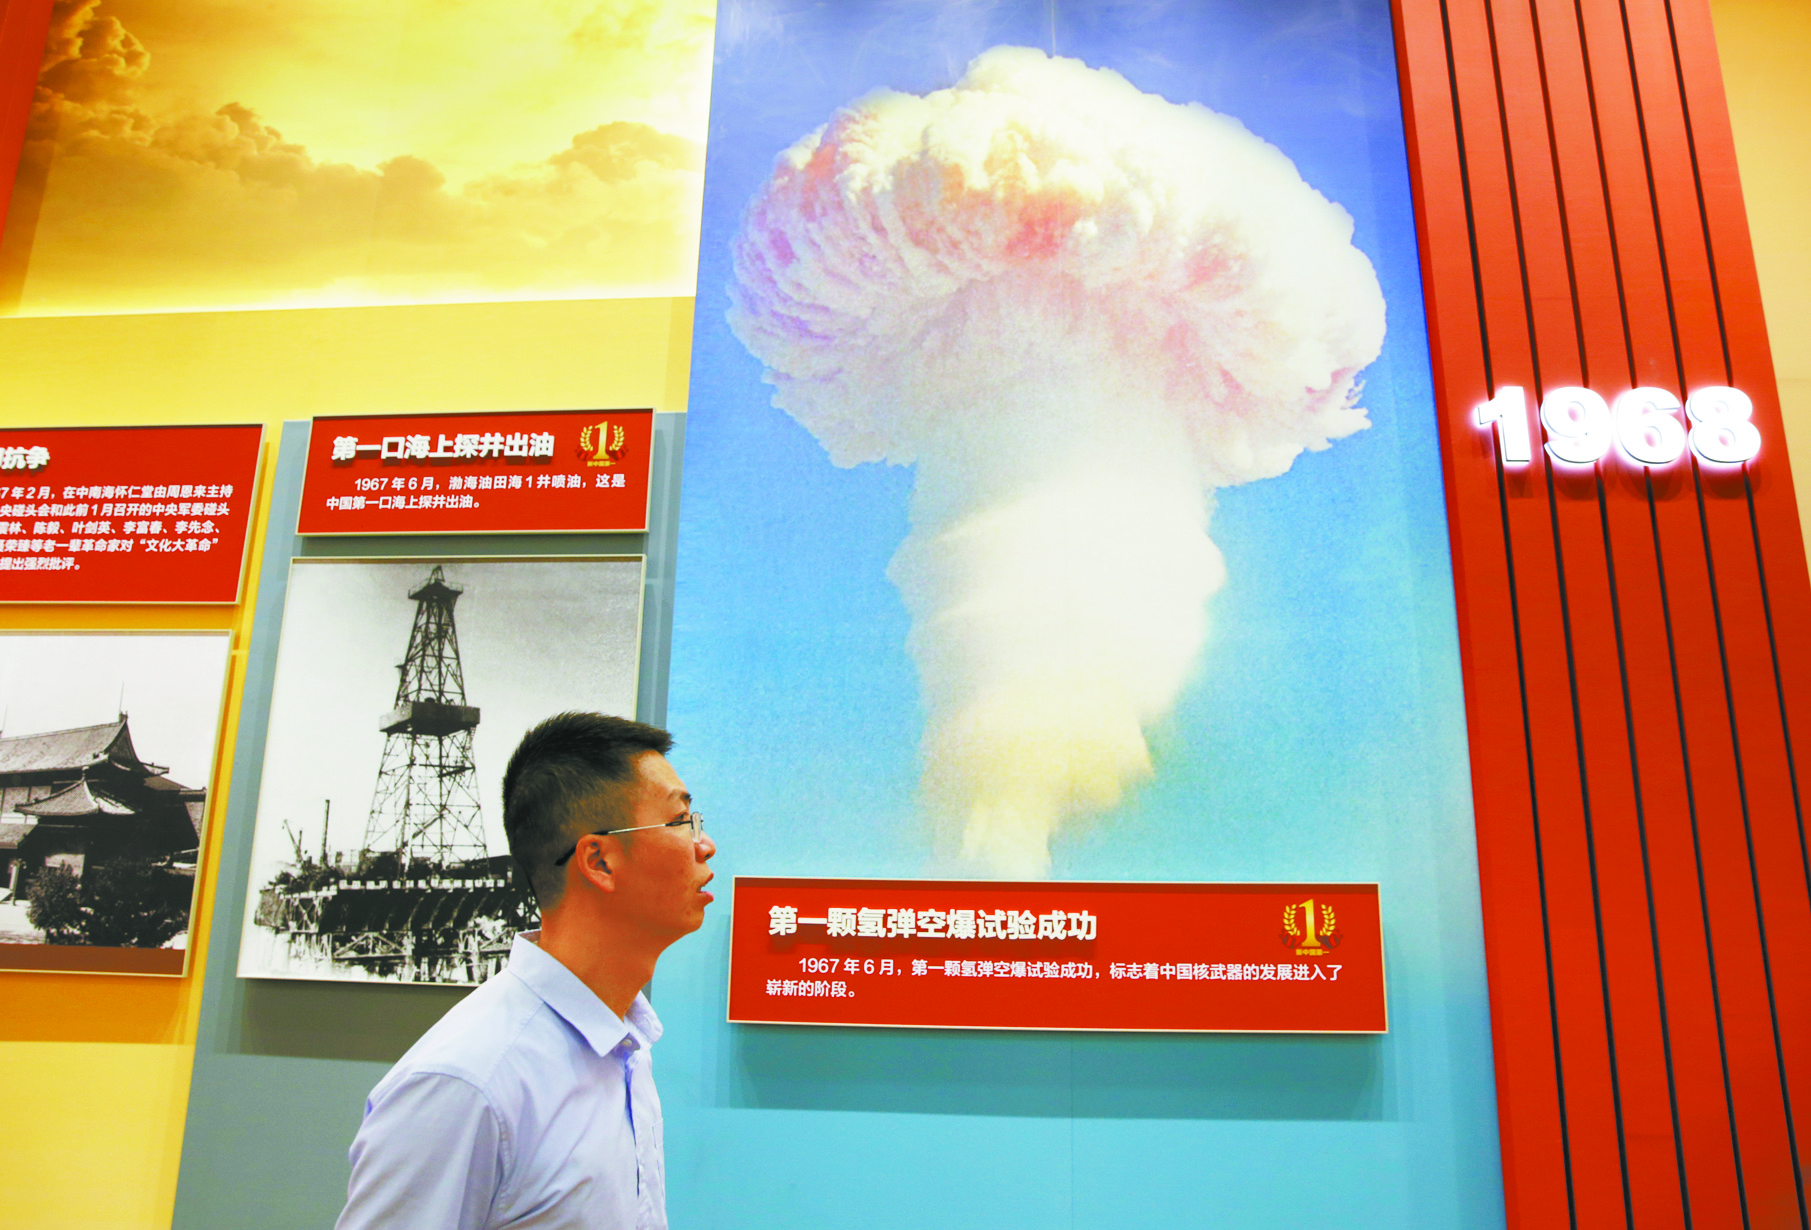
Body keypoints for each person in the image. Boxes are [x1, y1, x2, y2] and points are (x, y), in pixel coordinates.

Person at [336, 712, 715, 1230]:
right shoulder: (467, 1084)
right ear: (599, 861)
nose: (704, 844)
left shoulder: (626, 1049)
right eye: (680, 821)